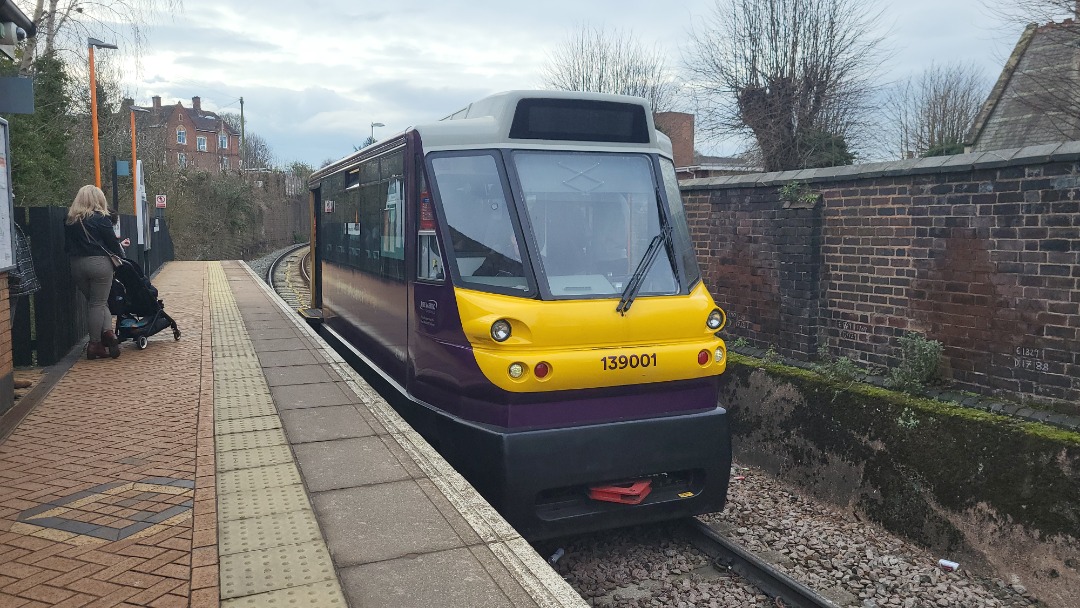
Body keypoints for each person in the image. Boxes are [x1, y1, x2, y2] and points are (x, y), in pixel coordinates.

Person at [65, 185, 124, 359]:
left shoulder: (69, 220)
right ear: (99, 200)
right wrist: (120, 258)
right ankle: (95, 343)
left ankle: (108, 333)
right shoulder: (101, 219)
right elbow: (112, 244)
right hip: (99, 264)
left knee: (96, 301)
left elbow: (67, 246)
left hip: (77, 264)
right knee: (98, 303)